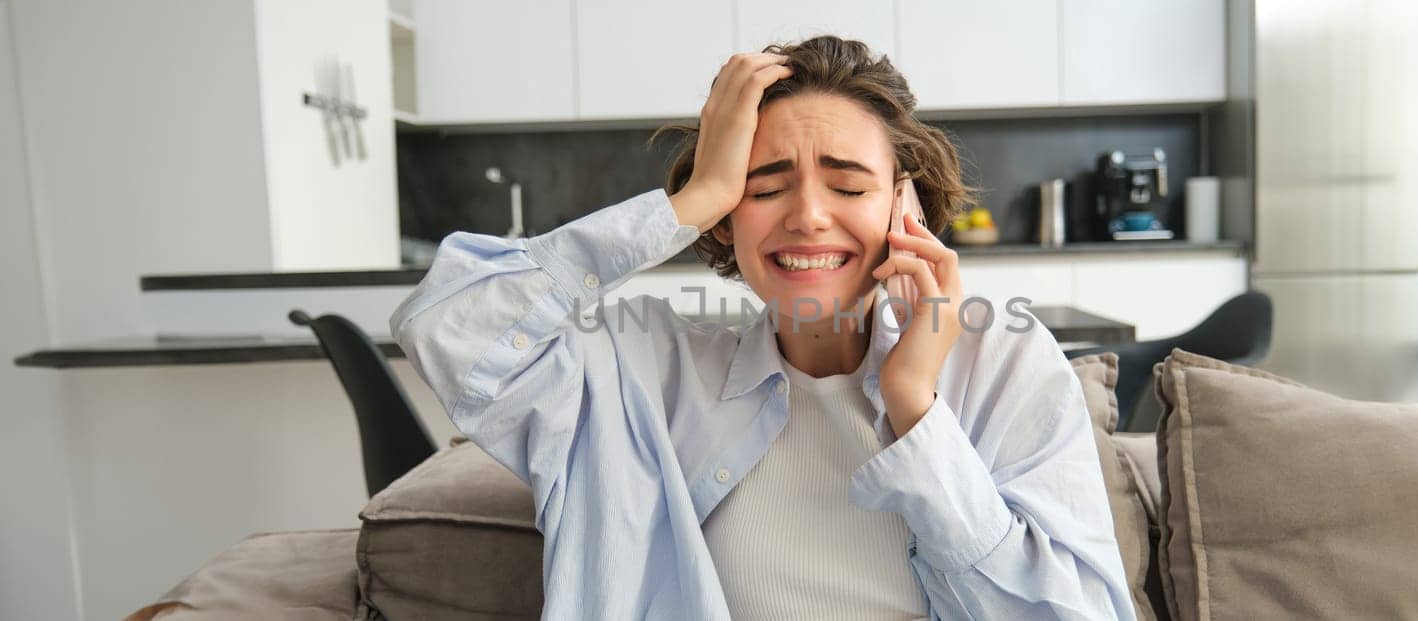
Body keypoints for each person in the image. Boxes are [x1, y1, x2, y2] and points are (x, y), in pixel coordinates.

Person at [392, 35, 1134, 620]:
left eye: (848, 185)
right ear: (726, 219)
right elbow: (446, 327)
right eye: (763, 186)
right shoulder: (645, 371)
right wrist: (687, 201)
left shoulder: (1001, 363)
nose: (808, 214)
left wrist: (915, 408)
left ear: (905, 206)